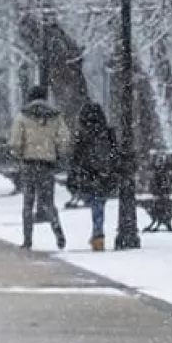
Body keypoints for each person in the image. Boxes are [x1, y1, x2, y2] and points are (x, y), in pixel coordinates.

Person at [9, 85, 72, 250]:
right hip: (47, 163)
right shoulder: (55, 116)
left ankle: (27, 239)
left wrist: (19, 152)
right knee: (48, 202)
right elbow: (64, 138)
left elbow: (15, 141)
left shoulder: (23, 116)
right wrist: (57, 152)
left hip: (29, 163)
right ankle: (58, 231)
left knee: (28, 202)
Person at [67, 102, 119, 252]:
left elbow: (75, 157)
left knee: (95, 202)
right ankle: (97, 234)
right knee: (99, 203)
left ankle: (98, 234)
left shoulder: (82, 134)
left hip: (88, 173)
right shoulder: (108, 133)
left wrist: (75, 174)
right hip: (104, 173)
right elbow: (115, 153)